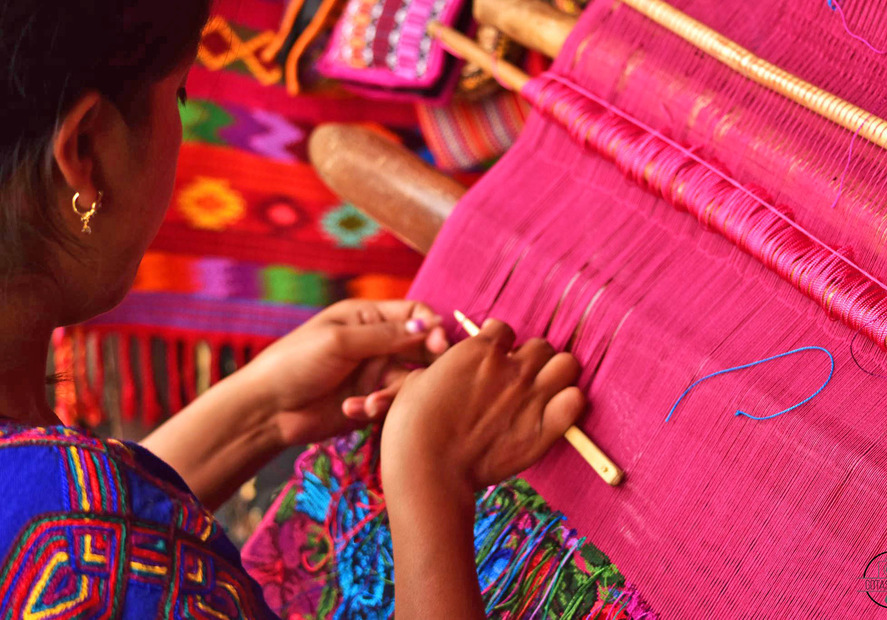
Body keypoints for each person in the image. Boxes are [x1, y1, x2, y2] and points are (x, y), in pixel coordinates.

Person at [0, 1, 586, 617]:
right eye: (180, 95)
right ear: (85, 152)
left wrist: (261, 411)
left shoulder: (68, 533)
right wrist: (430, 475)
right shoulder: (84, 549)